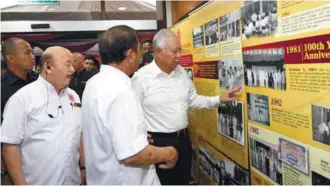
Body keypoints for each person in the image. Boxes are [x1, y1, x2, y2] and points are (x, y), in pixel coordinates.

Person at [132, 29, 240, 185]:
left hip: (183, 140)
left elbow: (193, 99)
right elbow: (133, 113)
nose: (179, 56)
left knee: (182, 181)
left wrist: (220, 99)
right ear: (159, 52)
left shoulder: (181, 73)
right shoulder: (141, 78)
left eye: (180, 51)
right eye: (175, 51)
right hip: (158, 143)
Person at [81, 25, 178, 185]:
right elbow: (133, 155)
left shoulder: (94, 83)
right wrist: (169, 153)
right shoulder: (120, 90)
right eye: (139, 50)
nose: (142, 55)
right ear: (131, 54)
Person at [1, 46, 85, 185]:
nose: (72, 70)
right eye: (67, 65)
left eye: (73, 64)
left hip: (72, 181)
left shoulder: (73, 96)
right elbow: (9, 146)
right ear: (48, 67)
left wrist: (83, 167)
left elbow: (79, 133)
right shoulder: (23, 98)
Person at [1, 38, 38, 185]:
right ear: (11, 58)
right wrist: (4, 173)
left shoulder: (39, 83)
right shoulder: (2, 90)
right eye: (27, 52)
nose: (32, 56)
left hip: (41, 161)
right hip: (13, 163)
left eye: (32, 52)